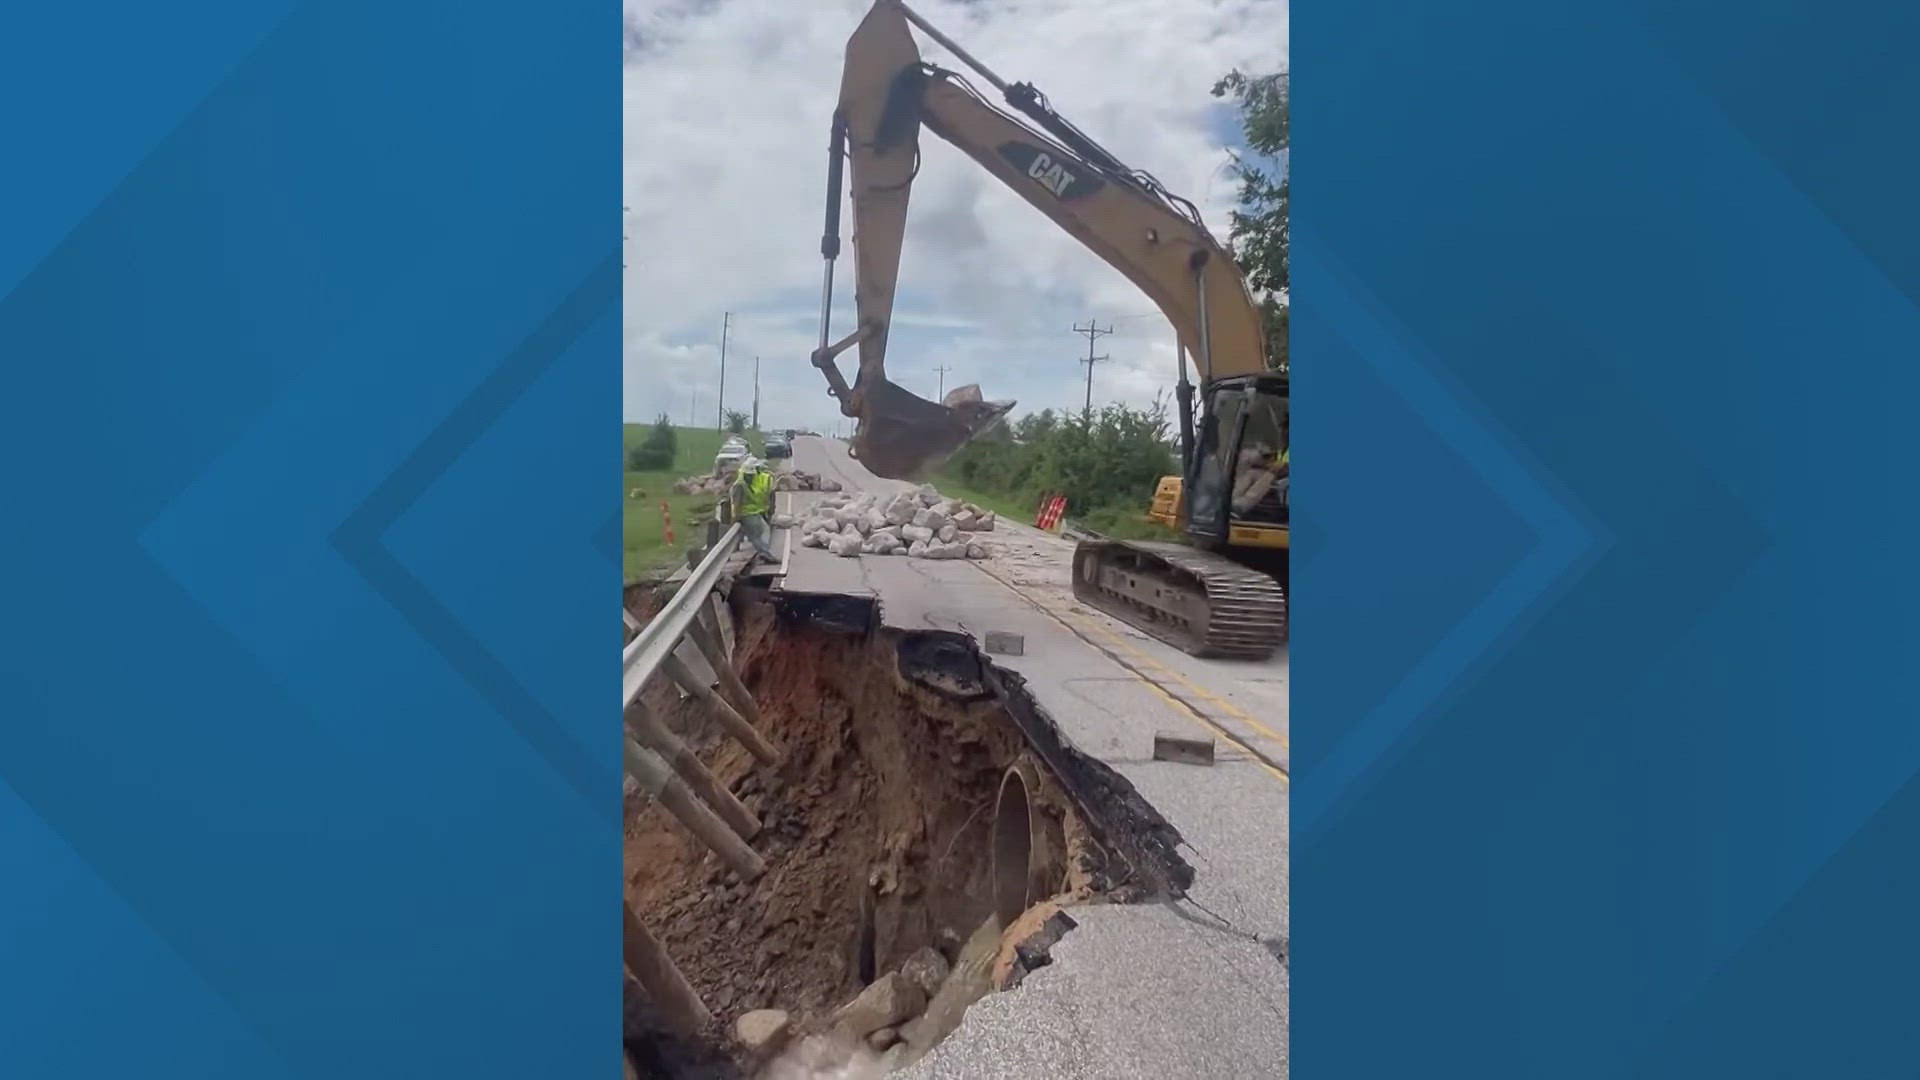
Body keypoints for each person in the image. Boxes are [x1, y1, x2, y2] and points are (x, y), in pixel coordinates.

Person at [729, 456, 780, 564]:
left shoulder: (752, 481)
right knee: (755, 535)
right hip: (746, 513)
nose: (750, 477)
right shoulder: (740, 485)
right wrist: (736, 517)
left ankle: (765, 553)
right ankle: (766, 554)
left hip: (754, 512)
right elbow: (737, 503)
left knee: (760, 532)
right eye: (748, 475)